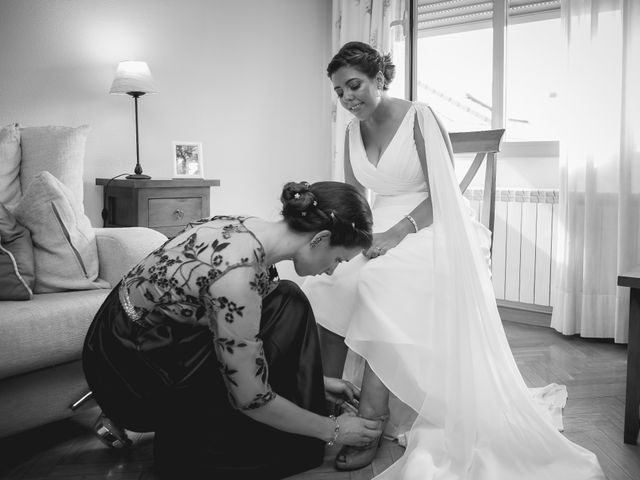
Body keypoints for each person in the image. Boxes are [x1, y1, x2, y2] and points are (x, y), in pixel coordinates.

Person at [301, 41, 605, 479]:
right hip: (376, 224)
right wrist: (352, 237)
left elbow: (446, 195)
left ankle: (371, 418)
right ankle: (326, 409)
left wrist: (396, 233)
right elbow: (354, 200)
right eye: (339, 92)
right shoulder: (351, 132)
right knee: (325, 284)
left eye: (355, 86)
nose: (348, 98)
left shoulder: (419, 117)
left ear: (379, 79)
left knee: (378, 283)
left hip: (432, 222)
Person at [82, 180, 384, 480]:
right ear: (320, 238)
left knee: (287, 299)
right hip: (129, 374)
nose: (332, 270)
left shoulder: (250, 228)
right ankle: (183, 440)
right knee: (272, 428)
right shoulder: (238, 278)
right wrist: (333, 430)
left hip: (130, 334)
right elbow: (251, 399)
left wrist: (313, 379)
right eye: (338, 259)